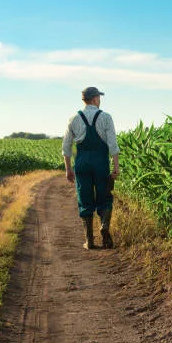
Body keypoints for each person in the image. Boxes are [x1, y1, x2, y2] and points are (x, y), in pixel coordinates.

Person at [62, 87, 120, 249]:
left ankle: (90, 240)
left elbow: (66, 147)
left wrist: (68, 169)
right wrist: (116, 167)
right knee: (104, 195)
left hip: (82, 163)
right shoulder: (106, 117)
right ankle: (104, 226)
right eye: (99, 98)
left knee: (84, 198)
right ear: (94, 99)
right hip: (100, 162)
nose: (100, 100)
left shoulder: (73, 118)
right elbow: (113, 145)